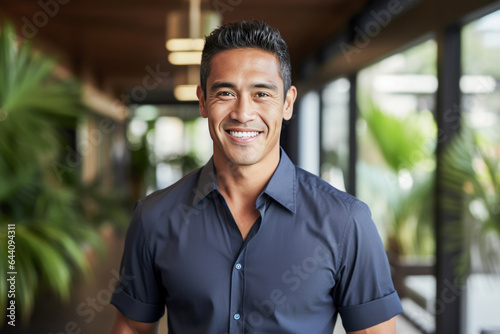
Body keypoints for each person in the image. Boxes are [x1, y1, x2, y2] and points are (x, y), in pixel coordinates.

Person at [110, 20, 403, 334]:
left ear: (287, 103)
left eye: (261, 94)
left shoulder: (347, 222)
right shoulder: (154, 217)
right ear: (203, 102)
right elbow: (131, 326)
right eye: (225, 93)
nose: (243, 113)